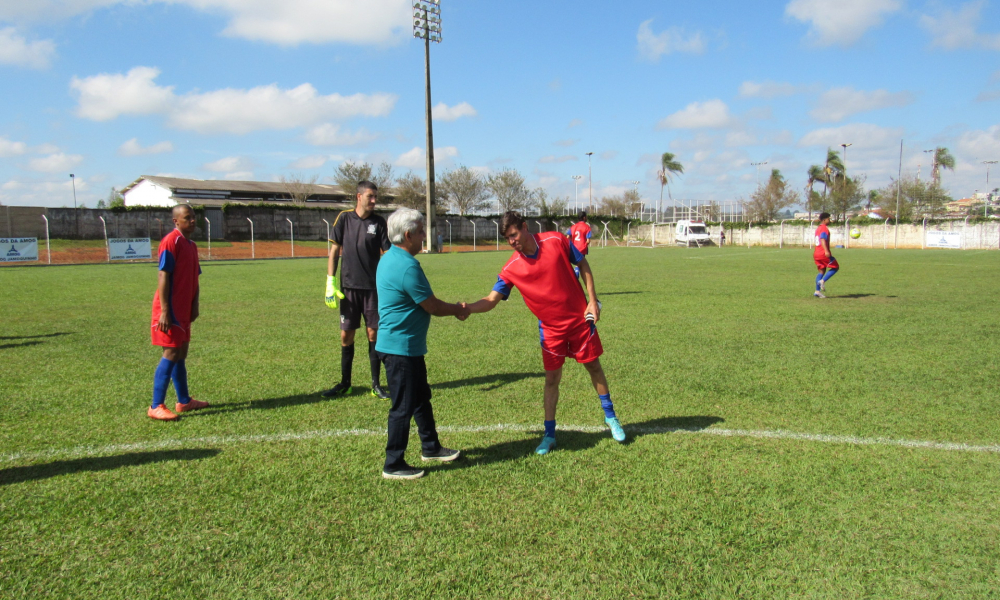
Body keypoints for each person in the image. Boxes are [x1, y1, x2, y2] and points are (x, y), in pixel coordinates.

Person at [466, 211, 625, 455]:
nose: (512, 241)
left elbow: (582, 263)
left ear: (525, 227)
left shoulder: (555, 240)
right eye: (508, 238)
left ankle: (611, 418)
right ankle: (549, 435)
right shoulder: (511, 268)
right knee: (552, 380)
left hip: (579, 321)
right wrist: (466, 308)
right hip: (550, 330)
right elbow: (491, 299)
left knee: (594, 367)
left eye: (514, 234)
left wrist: (592, 301)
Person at [376, 208, 469, 479]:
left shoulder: (389, 258)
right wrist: (458, 309)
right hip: (399, 348)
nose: (423, 238)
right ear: (407, 235)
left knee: (420, 398)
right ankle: (393, 464)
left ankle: (431, 447)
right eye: (420, 233)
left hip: (406, 346)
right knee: (403, 407)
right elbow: (432, 306)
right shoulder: (406, 265)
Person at [323, 181, 392, 399]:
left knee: (374, 334)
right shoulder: (344, 218)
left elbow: (388, 255)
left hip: (373, 289)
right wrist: (329, 282)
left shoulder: (379, 222)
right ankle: (345, 383)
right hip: (348, 289)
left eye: (375, 197)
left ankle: (376, 384)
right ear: (359, 196)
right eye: (370, 196)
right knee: (346, 335)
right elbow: (334, 252)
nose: (374, 201)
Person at [148, 205, 209, 421]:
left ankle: (184, 401)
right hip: (170, 309)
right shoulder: (170, 241)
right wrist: (165, 311)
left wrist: (195, 303)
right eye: (187, 218)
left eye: (194, 217)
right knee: (171, 353)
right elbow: (163, 275)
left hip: (184, 308)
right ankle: (156, 405)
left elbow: (195, 277)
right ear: (176, 221)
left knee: (181, 353)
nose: (192, 221)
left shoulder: (191, 245)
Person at [813, 212, 839, 298]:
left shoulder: (818, 228)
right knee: (835, 267)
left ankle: (817, 291)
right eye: (828, 219)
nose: (829, 220)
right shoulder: (824, 228)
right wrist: (826, 251)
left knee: (821, 271)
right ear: (824, 220)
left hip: (816, 253)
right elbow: (823, 239)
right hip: (823, 253)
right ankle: (822, 281)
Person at [568, 211, 592, 278]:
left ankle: (575, 275)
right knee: (581, 265)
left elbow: (568, 237)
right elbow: (588, 240)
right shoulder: (587, 227)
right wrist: (585, 245)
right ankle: (576, 276)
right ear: (584, 217)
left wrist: (571, 244)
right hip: (582, 248)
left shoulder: (573, 227)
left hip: (574, 248)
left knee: (577, 264)